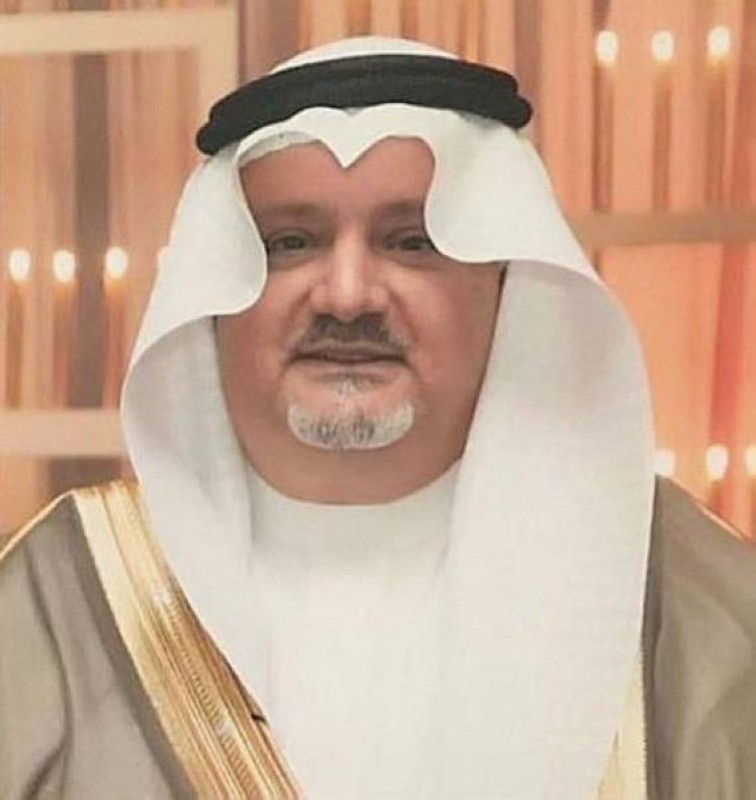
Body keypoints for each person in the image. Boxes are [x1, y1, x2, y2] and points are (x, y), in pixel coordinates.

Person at [1, 36, 755, 800]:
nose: (348, 294)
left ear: (505, 284)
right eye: (291, 243)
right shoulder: (58, 603)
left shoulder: (698, 606)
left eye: (413, 242)